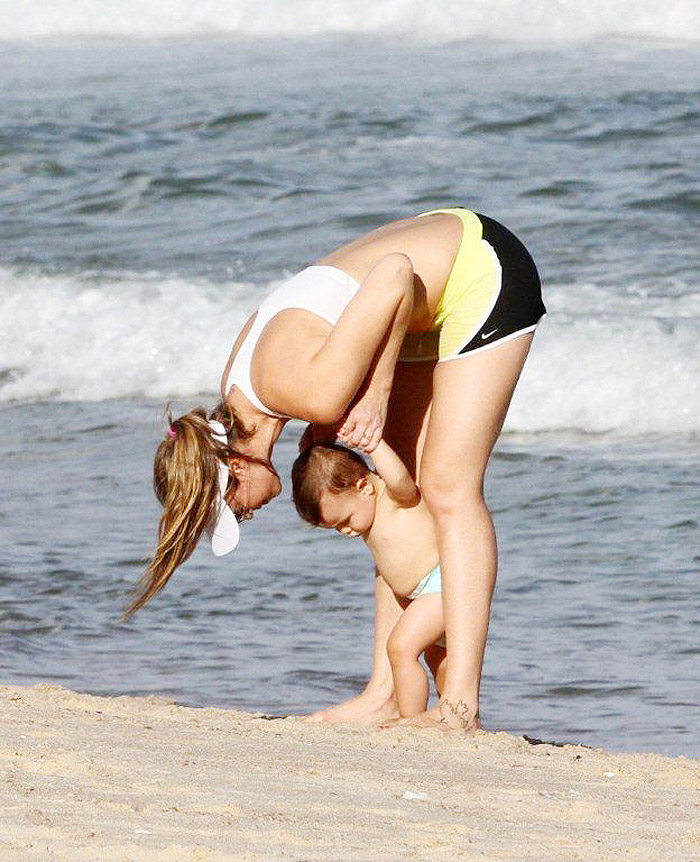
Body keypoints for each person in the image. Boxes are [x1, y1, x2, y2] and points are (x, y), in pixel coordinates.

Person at [129, 206, 546, 731]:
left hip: (479, 270)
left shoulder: (308, 395)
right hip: (422, 288)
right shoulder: (239, 392)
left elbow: (395, 270)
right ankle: (384, 695)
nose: (247, 516)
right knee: (391, 511)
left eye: (234, 509)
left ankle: (460, 706)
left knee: (447, 489)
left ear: (234, 466)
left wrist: (376, 393)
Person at [292, 439, 448, 718]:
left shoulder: (393, 497)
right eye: (336, 528)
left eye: (345, 520)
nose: (346, 531)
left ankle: (410, 719)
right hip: (423, 593)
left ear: (364, 486)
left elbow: (401, 479)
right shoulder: (365, 511)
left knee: (401, 648)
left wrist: (373, 443)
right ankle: (448, 711)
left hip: (441, 584)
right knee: (438, 658)